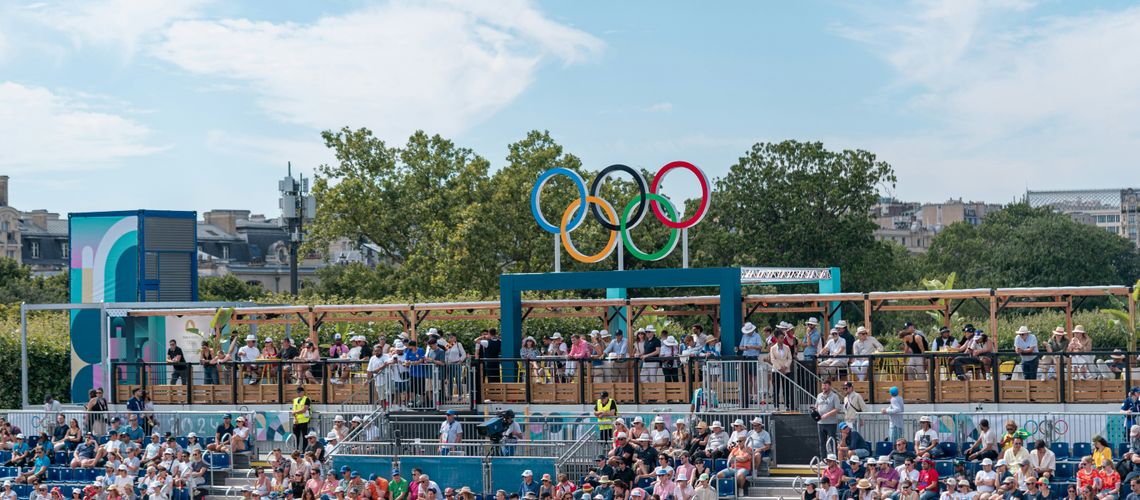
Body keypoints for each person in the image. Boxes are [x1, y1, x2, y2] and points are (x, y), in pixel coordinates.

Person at [816, 379, 841, 460]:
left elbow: (837, 409)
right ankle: (823, 459)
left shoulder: (834, 396)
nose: (824, 387)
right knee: (822, 442)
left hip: (831, 423)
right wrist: (815, 410)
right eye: (823, 385)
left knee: (832, 442)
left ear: (829, 386)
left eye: (825, 385)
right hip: (820, 423)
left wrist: (827, 414)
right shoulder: (819, 395)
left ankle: (835, 459)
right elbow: (817, 406)